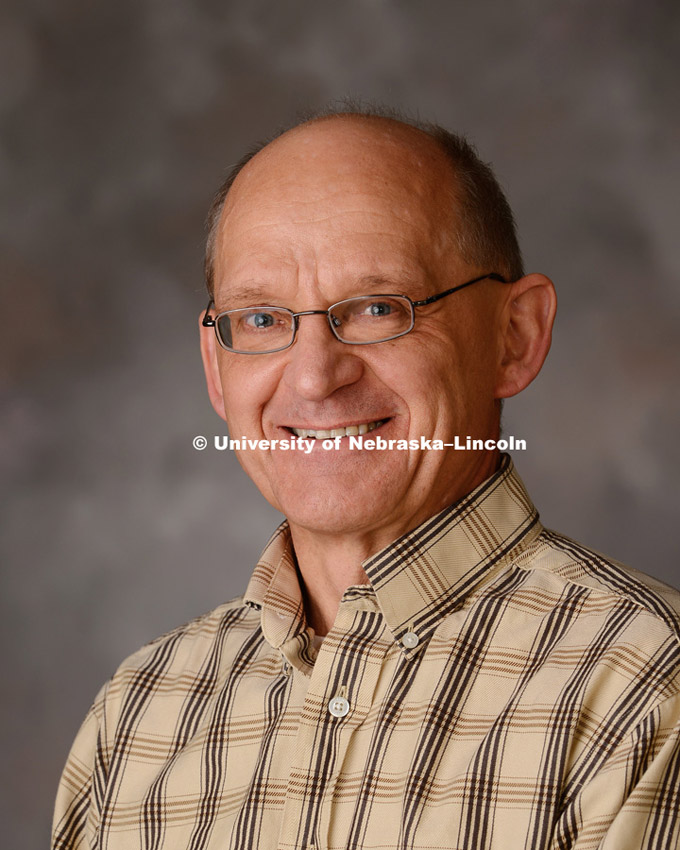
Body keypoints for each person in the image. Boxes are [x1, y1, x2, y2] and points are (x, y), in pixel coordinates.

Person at [52, 108, 680, 850]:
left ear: (515, 338)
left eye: (381, 308)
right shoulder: (135, 721)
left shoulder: (644, 690)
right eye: (260, 320)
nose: (316, 378)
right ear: (215, 370)